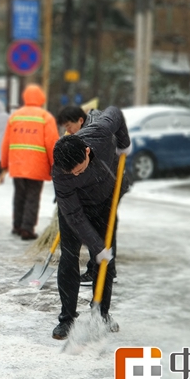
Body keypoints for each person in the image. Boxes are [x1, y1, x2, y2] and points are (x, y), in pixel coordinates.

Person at [51, 105, 132, 340]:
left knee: (105, 259)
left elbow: (115, 112)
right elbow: (74, 216)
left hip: (105, 200)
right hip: (75, 209)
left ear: (87, 152)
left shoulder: (100, 132)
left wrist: (124, 143)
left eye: (79, 170)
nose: (75, 175)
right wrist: (96, 246)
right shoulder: (60, 173)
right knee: (69, 256)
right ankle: (67, 318)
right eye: (71, 173)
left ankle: (101, 313)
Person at [56, 105, 118, 287]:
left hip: (106, 184)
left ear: (80, 121)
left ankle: (101, 271)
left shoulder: (98, 134)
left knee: (99, 226)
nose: (67, 130)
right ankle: (100, 269)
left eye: (69, 126)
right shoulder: (76, 138)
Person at [0, 84, 59, 241]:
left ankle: (17, 225)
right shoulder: (46, 117)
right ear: (41, 98)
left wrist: (4, 163)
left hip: (17, 164)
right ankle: (27, 229)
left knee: (19, 195)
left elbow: (6, 142)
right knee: (32, 196)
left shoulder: (15, 116)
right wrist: (56, 164)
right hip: (37, 165)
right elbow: (52, 143)